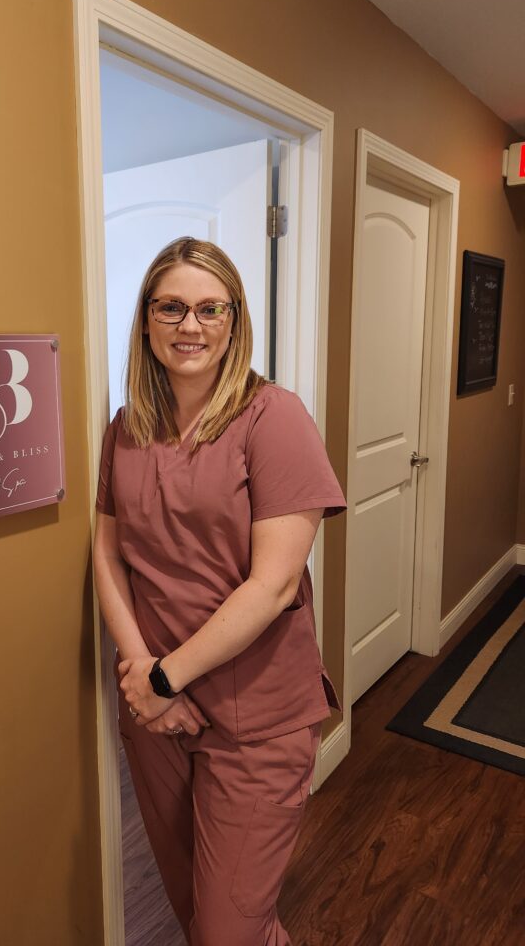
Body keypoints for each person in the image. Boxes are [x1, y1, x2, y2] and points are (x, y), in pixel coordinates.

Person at [93, 236, 346, 946]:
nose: (191, 327)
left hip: (256, 717)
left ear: (235, 322)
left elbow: (271, 587)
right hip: (157, 715)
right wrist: (144, 677)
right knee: (197, 915)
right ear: (146, 320)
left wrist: (167, 675)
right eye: (171, 307)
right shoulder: (126, 430)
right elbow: (109, 557)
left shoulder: (274, 418)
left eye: (210, 309)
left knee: (231, 929)